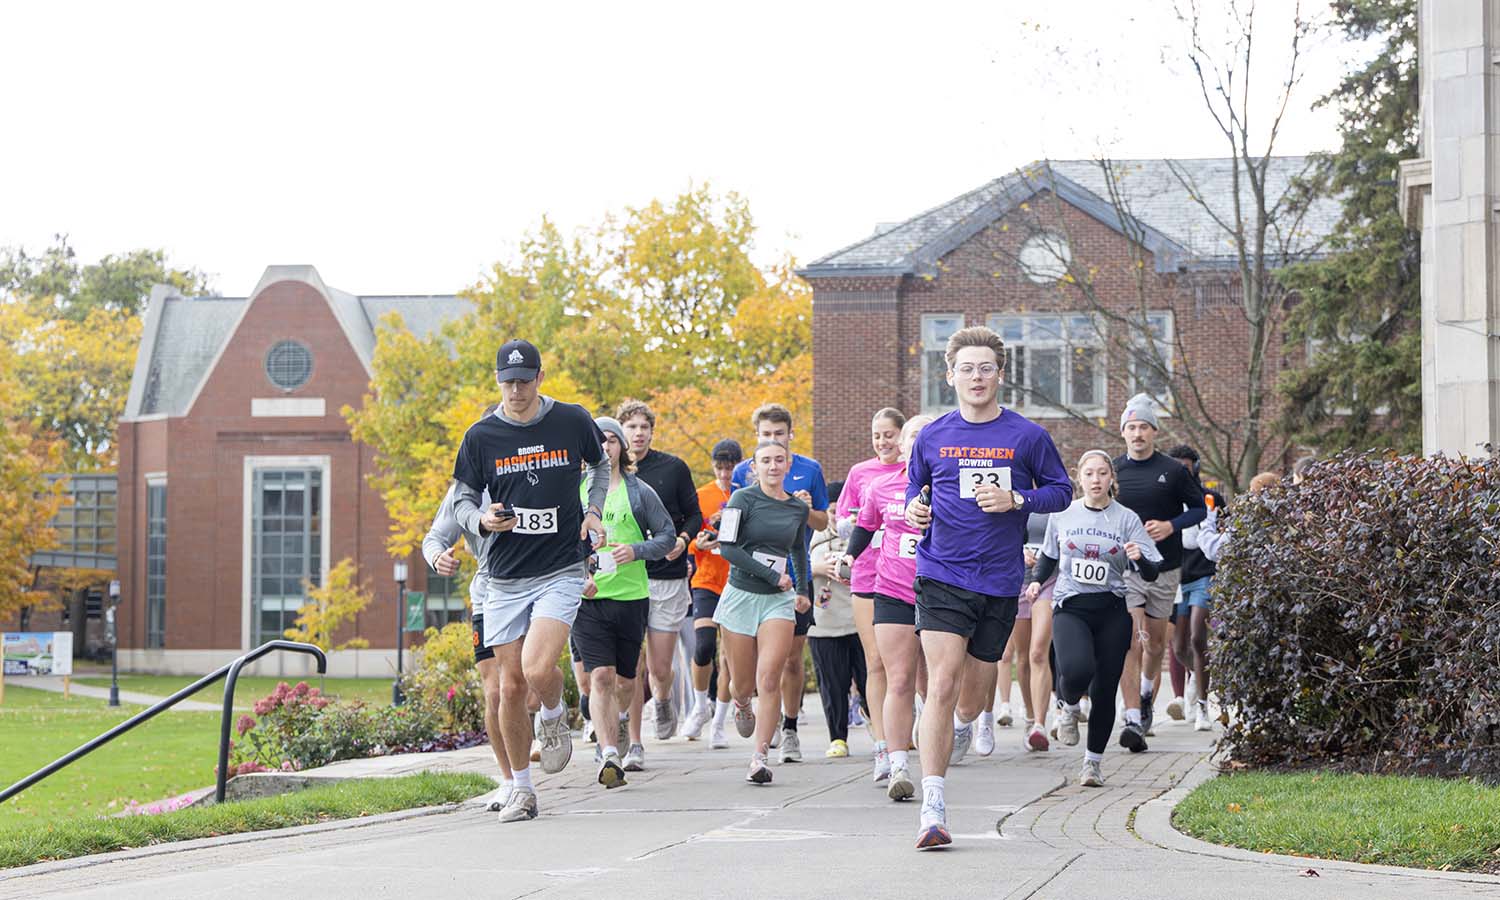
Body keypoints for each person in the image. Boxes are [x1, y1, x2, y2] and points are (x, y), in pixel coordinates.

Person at [903, 326, 1073, 849]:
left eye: (986, 368)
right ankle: (933, 805)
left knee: (973, 698)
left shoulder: (1027, 436)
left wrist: (1018, 500)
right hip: (941, 572)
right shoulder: (932, 436)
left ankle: (961, 724)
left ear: (1001, 375)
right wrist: (915, 508)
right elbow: (915, 490)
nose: (976, 377)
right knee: (943, 677)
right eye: (966, 368)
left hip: (999, 580)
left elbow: (1061, 492)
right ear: (949, 375)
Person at [451, 339, 609, 823]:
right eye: (507, 382)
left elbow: (600, 466)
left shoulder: (572, 420)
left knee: (539, 670)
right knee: (510, 686)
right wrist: (481, 520)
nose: (515, 391)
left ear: (540, 378)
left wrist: (593, 512)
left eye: (524, 381)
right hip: (503, 576)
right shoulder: (481, 436)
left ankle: (556, 715)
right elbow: (460, 499)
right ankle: (522, 788)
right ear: (497, 381)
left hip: (560, 567)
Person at [1025, 450, 1162, 787]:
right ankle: (1068, 704)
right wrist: (1036, 582)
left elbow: (1153, 570)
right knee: (1076, 668)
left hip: (1113, 609)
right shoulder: (1063, 514)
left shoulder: (1126, 518)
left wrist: (1140, 557)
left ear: (1111, 478)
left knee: (1104, 689)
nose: (1096, 480)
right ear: (1079, 477)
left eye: (1102, 473)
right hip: (1071, 605)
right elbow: (1049, 556)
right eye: (1090, 474)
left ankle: (1092, 764)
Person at [572, 417, 676, 788]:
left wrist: (636, 550)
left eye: (611, 441)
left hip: (631, 596)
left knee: (626, 682)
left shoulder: (639, 492)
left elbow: (667, 537)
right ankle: (609, 753)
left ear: (621, 448)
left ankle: (618, 728)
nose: (604, 448)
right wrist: (576, 575)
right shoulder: (574, 491)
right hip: (589, 597)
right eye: (597, 442)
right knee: (599, 676)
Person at [731, 403, 829, 764]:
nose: (773, 448)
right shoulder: (743, 479)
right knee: (746, 676)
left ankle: (781, 734)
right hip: (746, 585)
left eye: (779, 437)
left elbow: (819, 524)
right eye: (765, 437)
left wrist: (803, 509)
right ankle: (745, 704)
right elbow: (732, 535)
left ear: (790, 439)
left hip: (789, 584)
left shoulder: (809, 472)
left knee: (783, 664)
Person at [842, 414, 933, 801]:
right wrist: (848, 557)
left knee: (937, 682)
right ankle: (897, 763)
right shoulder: (880, 486)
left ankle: (948, 732)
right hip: (893, 589)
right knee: (897, 677)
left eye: (926, 436)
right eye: (912, 436)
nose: (916, 442)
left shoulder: (950, 489)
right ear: (903, 445)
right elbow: (863, 526)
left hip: (940, 594)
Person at [715, 440, 813, 784]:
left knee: (770, 677)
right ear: (754, 468)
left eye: (779, 460)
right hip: (741, 595)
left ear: (788, 465)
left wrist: (802, 590)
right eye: (766, 461)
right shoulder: (742, 499)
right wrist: (773, 574)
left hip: (778, 601)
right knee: (742, 684)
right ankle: (741, 703)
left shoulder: (797, 508)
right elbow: (727, 548)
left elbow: (799, 550)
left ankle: (759, 758)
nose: (773, 466)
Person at [1113, 393, 1206, 752]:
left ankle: (1148, 692)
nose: (1137, 434)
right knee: (1132, 640)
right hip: (1126, 569)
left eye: (1143, 428)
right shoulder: (1115, 469)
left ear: (1154, 431)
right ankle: (1132, 716)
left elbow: (1198, 509)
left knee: (1154, 642)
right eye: (1131, 427)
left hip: (1165, 568)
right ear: (1123, 432)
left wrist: (1171, 525)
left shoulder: (1172, 470)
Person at [423, 473, 512, 810]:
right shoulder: (465, 493)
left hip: (532, 593)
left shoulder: (537, 473)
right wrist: (437, 557)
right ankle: (510, 780)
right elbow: (434, 538)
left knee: (531, 682)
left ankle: (551, 710)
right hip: (488, 596)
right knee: (495, 691)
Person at [618, 400, 703, 745]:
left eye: (644, 427)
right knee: (631, 666)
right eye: (632, 427)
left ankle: (664, 698)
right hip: (624, 578)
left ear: (652, 432)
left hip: (666, 576)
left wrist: (683, 540)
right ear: (620, 431)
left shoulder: (674, 468)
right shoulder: (609, 474)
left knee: (660, 668)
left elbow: (695, 515)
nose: (638, 434)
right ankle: (633, 739)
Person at [836, 408, 906, 781]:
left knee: (911, 667)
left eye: (889, 435)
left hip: (908, 578)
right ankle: (882, 745)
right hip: (868, 575)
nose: (883, 442)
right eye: (877, 435)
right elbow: (843, 519)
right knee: (876, 661)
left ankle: (916, 731)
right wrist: (853, 523)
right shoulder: (860, 474)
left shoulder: (915, 476)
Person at [684, 439, 743, 747]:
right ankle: (699, 705)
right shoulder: (702, 495)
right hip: (707, 579)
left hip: (737, 580)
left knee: (730, 655)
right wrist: (699, 544)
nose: (724, 474)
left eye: (730, 468)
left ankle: (719, 722)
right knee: (704, 644)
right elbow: (692, 534)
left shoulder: (746, 493)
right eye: (719, 468)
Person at [1165, 445, 1223, 732]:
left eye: (1186, 467)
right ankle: (1195, 679)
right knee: (1178, 646)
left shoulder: (1211, 499)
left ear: (1195, 468)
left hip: (1204, 574)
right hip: (1176, 577)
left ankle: (1202, 706)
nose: (1181, 472)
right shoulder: (1164, 500)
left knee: (1199, 636)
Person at [808, 482, 868, 759]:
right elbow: (794, 564)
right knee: (833, 683)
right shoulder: (814, 536)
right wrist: (818, 568)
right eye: (830, 510)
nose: (834, 515)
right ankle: (838, 738)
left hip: (859, 619)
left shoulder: (861, 533)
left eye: (839, 510)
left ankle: (881, 730)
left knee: (869, 681)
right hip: (824, 622)